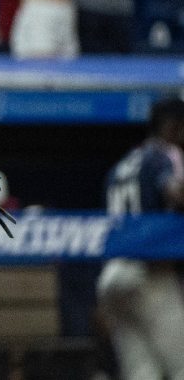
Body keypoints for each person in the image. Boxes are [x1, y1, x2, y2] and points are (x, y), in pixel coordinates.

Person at [96, 97, 184, 379]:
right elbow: (174, 193)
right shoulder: (164, 154)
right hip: (149, 273)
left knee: (141, 373)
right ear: (174, 127)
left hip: (112, 276)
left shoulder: (121, 165)